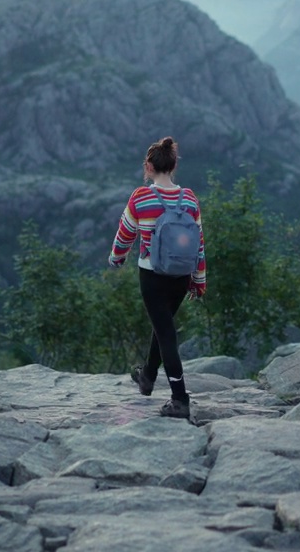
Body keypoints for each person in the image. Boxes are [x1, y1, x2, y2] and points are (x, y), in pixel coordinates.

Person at [108, 136, 206, 419]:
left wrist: (116, 257)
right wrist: (199, 280)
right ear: (173, 166)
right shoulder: (189, 198)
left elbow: (125, 233)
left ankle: (180, 399)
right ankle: (147, 376)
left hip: (152, 275)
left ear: (149, 167)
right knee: (162, 326)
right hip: (182, 275)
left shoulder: (141, 197)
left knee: (165, 332)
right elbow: (199, 243)